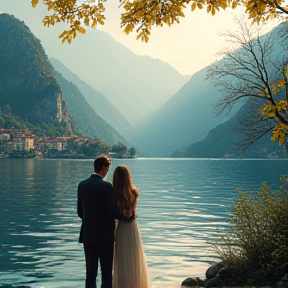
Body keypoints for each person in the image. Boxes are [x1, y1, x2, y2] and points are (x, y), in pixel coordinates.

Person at [77, 155, 131, 288]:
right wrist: (126, 217)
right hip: (104, 237)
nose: (108, 171)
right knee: (106, 273)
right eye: (107, 168)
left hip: (88, 236)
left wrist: (90, 220)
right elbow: (112, 211)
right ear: (103, 168)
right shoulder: (106, 186)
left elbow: (80, 212)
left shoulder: (82, 185)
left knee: (90, 273)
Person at [112, 165, 149, 288]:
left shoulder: (114, 194)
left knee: (123, 259)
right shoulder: (134, 193)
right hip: (132, 228)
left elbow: (117, 215)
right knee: (134, 257)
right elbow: (132, 213)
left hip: (122, 228)